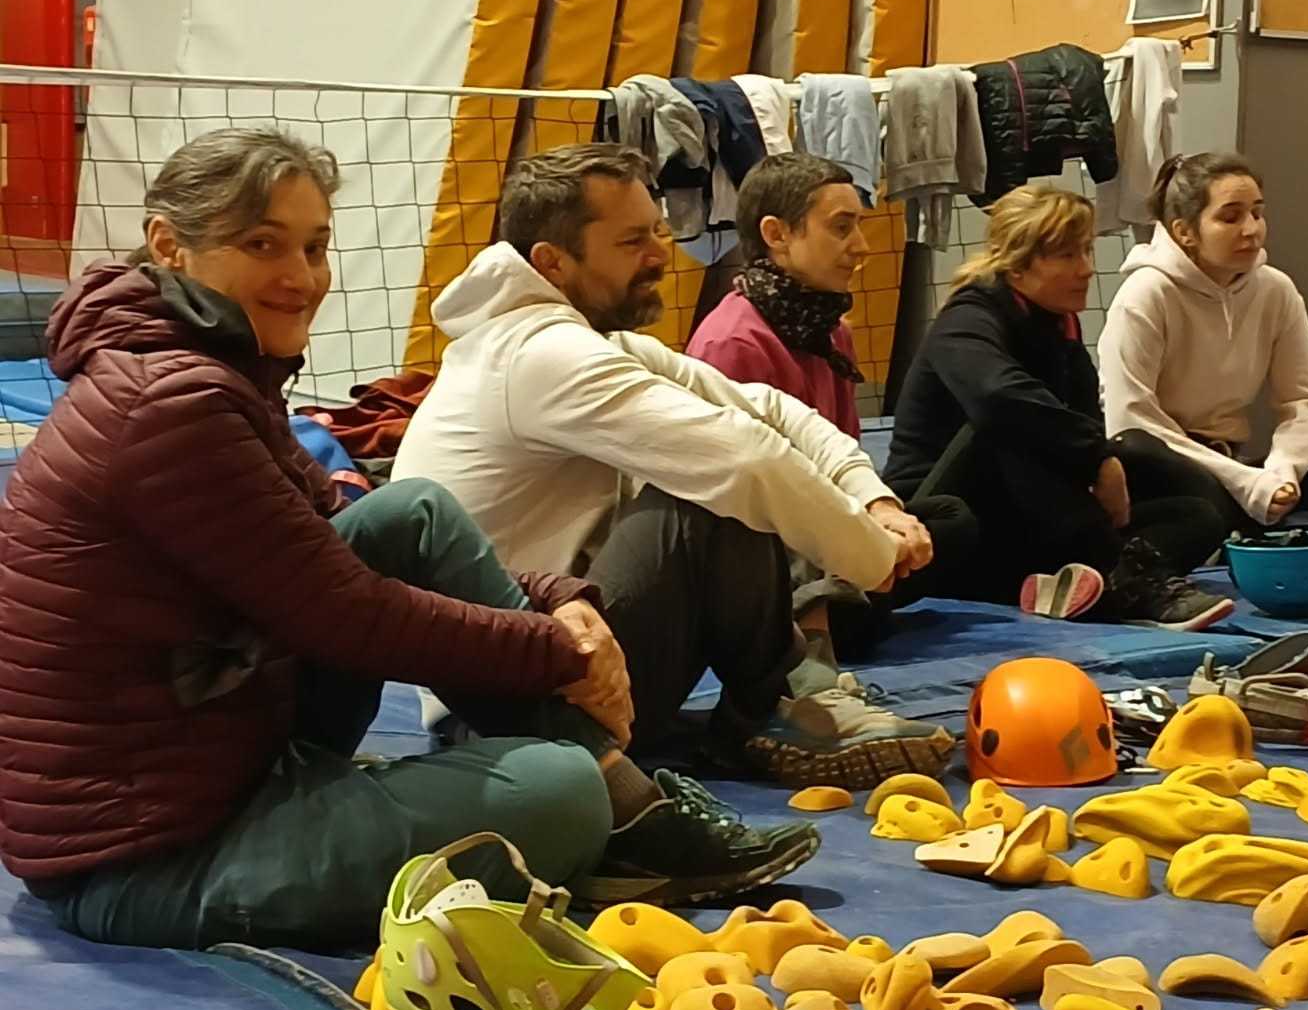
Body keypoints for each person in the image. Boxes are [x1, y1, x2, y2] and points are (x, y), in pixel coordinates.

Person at [0, 130, 821, 952]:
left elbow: (326, 546)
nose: (302, 277)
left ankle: (627, 806)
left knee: (410, 514)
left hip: (227, 757)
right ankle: (618, 799)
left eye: (315, 246)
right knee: (560, 791)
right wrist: (562, 649)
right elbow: (345, 612)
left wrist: (558, 601)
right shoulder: (172, 404)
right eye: (263, 245)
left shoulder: (209, 370)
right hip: (147, 858)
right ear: (168, 245)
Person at [390, 143, 954, 787]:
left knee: (753, 477)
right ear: (551, 262)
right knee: (709, 490)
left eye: (658, 231)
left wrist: (874, 500)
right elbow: (746, 456)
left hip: (560, 661)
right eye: (633, 241)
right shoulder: (542, 355)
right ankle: (777, 701)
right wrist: (873, 560)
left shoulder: (590, 339)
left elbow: (769, 411)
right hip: (510, 714)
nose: (661, 254)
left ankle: (783, 694)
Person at [883, 184, 1233, 629]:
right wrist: (1096, 459)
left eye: (1087, 250)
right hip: (947, 519)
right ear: (1017, 264)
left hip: (1022, 516)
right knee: (1010, 427)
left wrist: (1104, 462)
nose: (1086, 268)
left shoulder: (1057, 324)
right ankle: (1118, 576)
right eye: (1067, 256)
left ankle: (1077, 581)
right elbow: (1000, 399)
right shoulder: (968, 317)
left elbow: (1083, 420)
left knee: (1194, 511)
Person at [686, 152, 980, 655]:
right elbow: (750, 508)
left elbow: (845, 455)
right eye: (842, 228)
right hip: (771, 551)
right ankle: (824, 619)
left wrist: (877, 524)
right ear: (777, 234)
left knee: (951, 519)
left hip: (830, 524)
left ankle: (857, 601)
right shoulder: (732, 343)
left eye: (858, 227)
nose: (861, 246)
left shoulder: (831, 331)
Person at [1097, 152, 1308, 539]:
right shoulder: (1145, 294)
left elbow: (1303, 400)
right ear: (1185, 232)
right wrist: (1246, 484)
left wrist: (1281, 473)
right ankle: (1239, 525)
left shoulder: (1276, 290)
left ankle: (1229, 528)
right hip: (1170, 467)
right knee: (1135, 448)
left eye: (1257, 213)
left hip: (1235, 466)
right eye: (1230, 217)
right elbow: (1130, 419)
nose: (1252, 229)